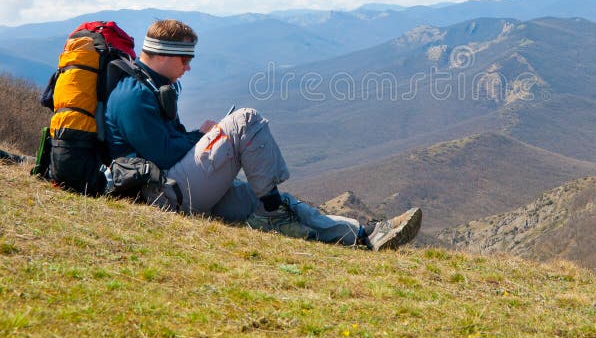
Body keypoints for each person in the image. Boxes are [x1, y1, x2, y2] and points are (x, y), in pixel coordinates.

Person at [104, 19, 421, 250]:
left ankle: (363, 236)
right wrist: (201, 137)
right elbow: (164, 155)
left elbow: (164, 147)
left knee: (272, 200)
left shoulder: (147, 87)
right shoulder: (134, 96)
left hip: (174, 188)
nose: (188, 68)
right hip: (161, 197)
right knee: (245, 120)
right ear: (163, 55)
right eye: (185, 59)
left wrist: (198, 138)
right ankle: (272, 214)